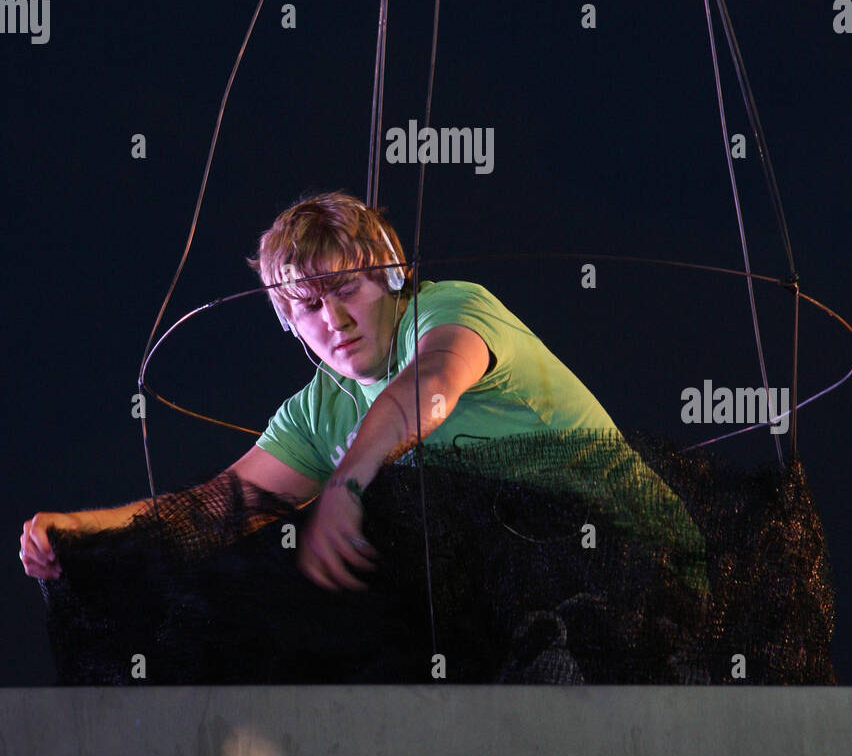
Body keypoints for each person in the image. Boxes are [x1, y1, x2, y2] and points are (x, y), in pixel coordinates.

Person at [20, 190, 707, 600]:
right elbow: (217, 509)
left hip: (646, 569)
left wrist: (347, 483)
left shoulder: (449, 311)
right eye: (309, 306)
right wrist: (81, 532)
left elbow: (431, 386)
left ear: (394, 278)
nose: (335, 321)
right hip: (522, 602)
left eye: (348, 290)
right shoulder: (318, 410)